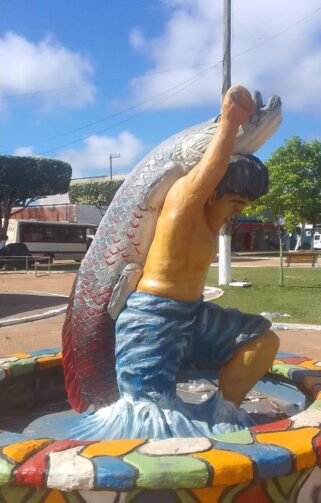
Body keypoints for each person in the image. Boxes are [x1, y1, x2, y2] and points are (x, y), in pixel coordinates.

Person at [74, 85, 279, 440]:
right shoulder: (183, 205)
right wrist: (229, 123)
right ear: (210, 192)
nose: (238, 212)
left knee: (263, 343)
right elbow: (209, 170)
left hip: (193, 316)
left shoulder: (211, 224)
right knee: (152, 415)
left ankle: (223, 410)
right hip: (151, 318)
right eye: (234, 202)